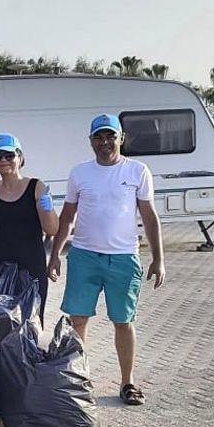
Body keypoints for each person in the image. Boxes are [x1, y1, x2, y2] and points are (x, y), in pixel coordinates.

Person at [48, 113, 166, 406]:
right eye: (98, 137)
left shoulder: (137, 171)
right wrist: (55, 255)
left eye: (110, 136)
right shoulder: (80, 173)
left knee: (123, 321)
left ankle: (128, 382)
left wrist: (158, 258)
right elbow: (67, 217)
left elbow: (149, 216)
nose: (104, 142)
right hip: (84, 256)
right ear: (91, 141)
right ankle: (78, 378)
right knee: (78, 320)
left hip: (124, 258)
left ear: (121, 138)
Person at [0, 133, 58, 324]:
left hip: (31, 264)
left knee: (31, 322)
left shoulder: (36, 187)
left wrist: (47, 207)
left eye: (9, 155)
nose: (3, 160)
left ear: (20, 157)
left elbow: (51, 229)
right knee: (1, 323)